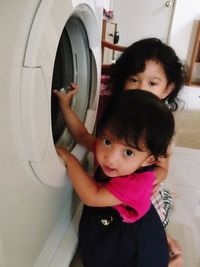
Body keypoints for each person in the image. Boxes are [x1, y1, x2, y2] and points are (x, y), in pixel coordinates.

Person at [55, 86, 175, 267]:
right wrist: (65, 105)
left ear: (148, 160)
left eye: (128, 152)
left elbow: (92, 196)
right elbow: (81, 134)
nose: (110, 158)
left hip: (133, 245)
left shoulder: (136, 184)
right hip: (110, 226)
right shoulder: (112, 151)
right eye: (107, 140)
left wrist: (69, 159)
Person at [99, 37, 186, 265]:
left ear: (167, 89)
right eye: (134, 79)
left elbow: (163, 168)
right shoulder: (114, 105)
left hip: (140, 184)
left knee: (144, 220)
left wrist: (152, 180)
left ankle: (162, 240)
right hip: (113, 175)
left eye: (152, 83)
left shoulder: (161, 126)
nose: (141, 89)